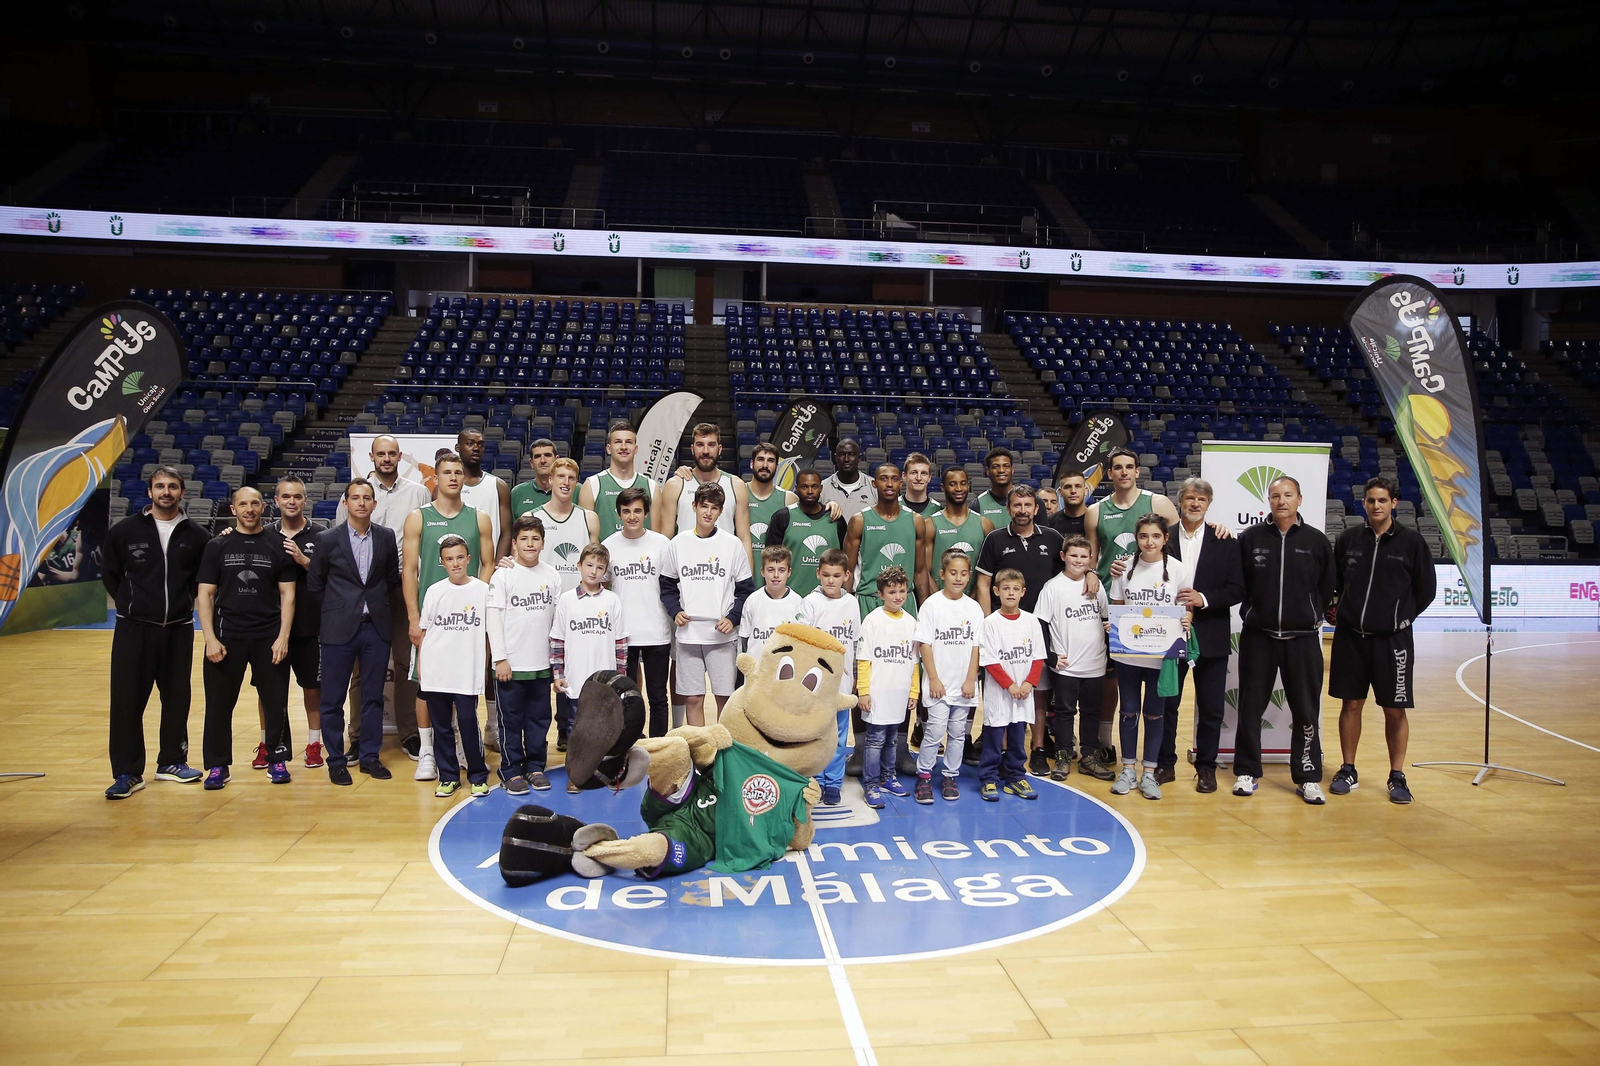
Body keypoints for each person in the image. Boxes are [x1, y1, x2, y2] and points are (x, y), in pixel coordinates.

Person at [102, 466, 212, 799]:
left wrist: (181, 604)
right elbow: (111, 574)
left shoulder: (196, 535)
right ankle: (127, 772)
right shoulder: (124, 531)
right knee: (127, 701)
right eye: (160, 486)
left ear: (182, 492)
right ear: (149, 492)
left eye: (173, 486)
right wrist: (132, 604)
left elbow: (202, 580)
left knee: (177, 698)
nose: (166, 492)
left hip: (178, 630)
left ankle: (173, 762)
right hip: (133, 630)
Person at [1328, 475, 1436, 804]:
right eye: (1371, 500)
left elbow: (1426, 590)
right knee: (1351, 705)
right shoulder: (1348, 539)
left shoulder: (1412, 542)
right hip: (1350, 638)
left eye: (1382, 500)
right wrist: (1340, 611)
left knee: (1394, 709)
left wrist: (1401, 618)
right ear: (1364, 503)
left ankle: (1397, 775)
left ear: (1394, 503)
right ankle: (1348, 769)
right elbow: (1335, 583)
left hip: (1393, 642)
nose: (1376, 505)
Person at [1234, 475, 1335, 804]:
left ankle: (1307, 776)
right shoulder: (1250, 538)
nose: (1282, 501)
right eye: (1275, 495)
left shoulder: (1316, 541)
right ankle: (1247, 771)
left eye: (1288, 495)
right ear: (1269, 500)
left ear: (1299, 499)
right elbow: (1240, 583)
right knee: (1250, 707)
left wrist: (1309, 613)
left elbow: (1327, 587)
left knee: (1306, 710)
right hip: (1259, 637)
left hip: (1302, 639)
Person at [1084, 448, 1183, 765]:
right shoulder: (1095, 511)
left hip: (1155, 608)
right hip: (1113, 603)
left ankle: (1158, 758)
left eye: (1129, 467)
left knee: (1155, 691)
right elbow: (1092, 557)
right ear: (1110, 473)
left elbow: (1180, 544)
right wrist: (1092, 573)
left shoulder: (1159, 503)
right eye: (1118, 467)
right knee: (1109, 678)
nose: (1124, 472)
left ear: (1138, 471)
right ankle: (1104, 742)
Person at [196, 486, 299, 790]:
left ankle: (277, 758)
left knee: (276, 702)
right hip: (227, 637)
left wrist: (283, 637)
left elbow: (288, 595)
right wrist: (209, 638)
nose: (249, 509)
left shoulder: (278, 545)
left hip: (268, 637)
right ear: (233, 509)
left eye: (255, 503)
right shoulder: (217, 546)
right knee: (218, 704)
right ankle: (218, 765)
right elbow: (205, 594)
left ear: (264, 507)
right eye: (243, 504)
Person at [336, 434, 431, 762]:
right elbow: (342, 540)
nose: (386, 458)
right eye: (381, 454)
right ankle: (358, 736)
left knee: (407, 664)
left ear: (400, 456)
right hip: (366, 591)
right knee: (361, 669)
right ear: (371, 456)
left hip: (405, 588)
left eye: (392, 453)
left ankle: (409, 733)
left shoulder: (418, 492)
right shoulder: (357, 493)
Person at [403, 452, 496, 781]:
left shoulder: (479, 517)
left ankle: (463, 748)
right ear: (437, 477)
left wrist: (475, 599)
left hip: (467, 621)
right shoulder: (418, 517)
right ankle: (427, 751)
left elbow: (488, 563)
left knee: (464, 685)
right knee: (426, 686)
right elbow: (409, 570)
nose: (453, 477)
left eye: (458, 472)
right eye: (447, 472)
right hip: (433, 619)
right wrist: (413, 618)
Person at [308, 478, 402, 785]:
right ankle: (336, 760)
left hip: (375, 628)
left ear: (374, 503)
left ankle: (370, 757)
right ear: (345, 503)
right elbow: (315, 584)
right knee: (332, 699)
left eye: (367, 498)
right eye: (355, 497)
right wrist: (338, 610)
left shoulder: (386, 537)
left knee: (373, 697)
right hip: (338, 629)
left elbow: (391, 580)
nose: (361, 502)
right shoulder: (327, 539)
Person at [843, 461, 931, 776]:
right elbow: (847, 572)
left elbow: (920, 571)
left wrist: (926, 609)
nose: (890, 483)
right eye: (884, 478)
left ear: (901, 481)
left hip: (905, 604)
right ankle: (861, 749)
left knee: (903, 675)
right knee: (863, 678)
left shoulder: (916, 521)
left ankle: (901, 748)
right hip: (867, 602)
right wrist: (846, 607)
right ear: (874, 483)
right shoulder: (859, 520)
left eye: (895, 478)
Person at [1161, 478, 1245, 793]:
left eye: (1201, 499)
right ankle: (1165, 764)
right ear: (1179, 501)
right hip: (1169, 635)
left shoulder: (1225, 541)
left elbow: (1237, 589)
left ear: (1208, 504)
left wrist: (1204, 599)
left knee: (1211, 709)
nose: (1195, 504)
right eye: (1190, 498)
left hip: (1211, 633)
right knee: (1167, 705)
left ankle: (1206, 768)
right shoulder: (1162, 538)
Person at [976, 484, 1064, 776]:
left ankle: (1037, 748)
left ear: (1036, 508)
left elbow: (1070, 571)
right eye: (1017, 505)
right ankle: (1001, 750)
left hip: (1040, 626)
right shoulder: (995, 539)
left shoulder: (1052, 537)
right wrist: (989, 621)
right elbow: (984, 583)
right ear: (1008, 508)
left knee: (1037, 690)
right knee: (1002, 689)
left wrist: (1089, 573)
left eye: (1028, 505)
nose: (1022, 510)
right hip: (1003, 625)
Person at [1107, 514, 1192, 801]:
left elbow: (1186, 609)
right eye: (1143, 536)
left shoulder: (1178, 570)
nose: (1149, 542)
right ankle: (1128, 770)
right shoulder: (1124, 568)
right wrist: (1113, 625)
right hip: (1129, 657)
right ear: (1137, 538)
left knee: (1155, 714)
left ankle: (1149, 772)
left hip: (1162, 658)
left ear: (1165, 538)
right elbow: (1118, 607)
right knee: (1128, 712)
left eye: (1156, 536)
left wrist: (1187, 620)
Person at [660, 482, 755, 726]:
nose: (708, 512)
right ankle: (699, 749)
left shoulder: (732, 544)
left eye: (714, 508)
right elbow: (667, 586)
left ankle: (723, 747)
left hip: (721, 635)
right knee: (693, 699)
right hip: (688, 634)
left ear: (721, 511)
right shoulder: (678, 543)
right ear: (694, 506)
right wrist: (675, 611)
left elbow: (745, 589)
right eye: (704, 506)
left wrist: (733, 618)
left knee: (725, 698)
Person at [488, 514, 563, 794]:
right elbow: (493, 619)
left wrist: (556, 662)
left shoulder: (552, 575)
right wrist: (500, 659)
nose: (530, 544)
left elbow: (557, 621)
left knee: (539, 719)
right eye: (524, 539)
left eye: (535, 539)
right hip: (511, 664)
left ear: (543, 543)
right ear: (515, 543)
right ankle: (510, 770)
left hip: (541, 663)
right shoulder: (503, 575)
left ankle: (535, 766)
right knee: (510, 720)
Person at [257, 476, 326, 770]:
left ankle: (314, 744)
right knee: (268, 691)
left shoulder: (321, 535)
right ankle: (267, 744)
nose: (291, 502)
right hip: (270, 629)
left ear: (305, 500)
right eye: (285, 497)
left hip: (310, 627)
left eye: (297, 496)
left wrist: (304, 560)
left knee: (312, 688)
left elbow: (330, 577)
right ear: (276, 501)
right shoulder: (264, 535)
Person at [416, 534, 492, 800]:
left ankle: (478, 776)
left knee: (468, 722)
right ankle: (448, 776)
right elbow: (424, 633)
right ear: (442, 562)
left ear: (469, 559)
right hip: (437, 669)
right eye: (449, 559)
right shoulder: (434, 591)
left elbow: (489, 634)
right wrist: (422, 667)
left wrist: (484, 665)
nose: (456, 563)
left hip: (466, 671)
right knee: (442, 726)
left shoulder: (483, 590)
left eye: (460, 557)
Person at [551, 543, 629, 790]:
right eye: (589, 565)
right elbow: (557, 640)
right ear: (579, 566)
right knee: (577, 730)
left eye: (600, 567)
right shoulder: (566, 600)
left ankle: (606, 773)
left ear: (606, 571)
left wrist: (620, 678)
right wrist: (558, 674)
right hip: (576, 681)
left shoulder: (612, 600)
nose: (594, 571)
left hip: (605, 683)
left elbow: (620, 643)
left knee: (607, 729)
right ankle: (577, 776)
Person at [534, 455, 600, 746]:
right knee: (542, 667)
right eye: (560, 477)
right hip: (542, 604)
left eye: (571, 478)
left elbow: (596, 559)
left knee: (573, 668)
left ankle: (567, 728)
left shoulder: (588, 518)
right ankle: (537, 732)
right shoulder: (534, 517)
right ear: (550, 480)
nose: (565, 482)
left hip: (578, 605)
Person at [1035, 536, 1111, 781]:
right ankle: (1063, 756)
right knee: (1064, 712)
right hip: (1066, 666)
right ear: (1063, 556)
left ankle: (1089, 757)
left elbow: (1105, 619)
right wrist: (1050, 657)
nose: (1078, 560)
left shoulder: (1096, 586)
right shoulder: (1053, 587)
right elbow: (1040, 624)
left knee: (1091, 712)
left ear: (1091, 559)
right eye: (1073, 555)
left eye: (1083, 556)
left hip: (1095, 663)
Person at [914, 549, 984, 802]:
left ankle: (950, 775)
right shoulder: (932, 605)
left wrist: (971, 679)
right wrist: (933, 678)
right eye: (953, 573)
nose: (958, 578)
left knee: (957, 733)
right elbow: (924, 644)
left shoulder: (974, 608)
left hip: (963, 685)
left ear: (969, 576)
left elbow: (976, 647)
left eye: (964, 574)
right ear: (942, 574)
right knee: (934, 732)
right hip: (939, 684)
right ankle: (924, 776)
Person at [603, 486, 673, 735]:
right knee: (627, 697)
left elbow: (672, 584)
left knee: (658, 696)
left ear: (646, 513)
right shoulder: (608, 546)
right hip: (623, 633)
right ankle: (631, 742)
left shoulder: (662, 544)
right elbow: (602, 586)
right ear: (619, 514)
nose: (632, 516)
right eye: (626, 511)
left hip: (656, 631)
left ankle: (659, 746)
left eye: (637, 511)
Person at [856, 566, 920, 809]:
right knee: (875, 740)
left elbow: (914, 662)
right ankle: (871, 785)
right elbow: (864, 659)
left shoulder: (911, 622)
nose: (898, 596)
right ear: (881, 594)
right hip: (877, 693)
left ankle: (888, 777)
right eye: (892, 592)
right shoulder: (872, 621)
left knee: (892, 739)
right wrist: (863, 691)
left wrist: (914, 691)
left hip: (899, 693)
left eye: (902, 591)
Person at [978, 568, 1044, 802]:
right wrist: (1009, 685)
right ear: (996, 591)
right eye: (1006, 588)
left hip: (1023, 693)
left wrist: (1029, 683)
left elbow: (1038, 657)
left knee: (1018, 736)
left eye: (1015, 589)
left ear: (1023, 592)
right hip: (1000, 693)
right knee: (994, 736)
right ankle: (988, 778)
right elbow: (990, 661)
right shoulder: (990, 623)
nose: (1011, 593)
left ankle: (1016, 777)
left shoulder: (1032, 621)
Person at [804, 548, 862, 807]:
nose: (831, 580)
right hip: (815, 685)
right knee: (815, 734)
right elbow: (803, 643)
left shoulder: (852, 603)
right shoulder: (810, 603)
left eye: (836, 576)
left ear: (846, 576)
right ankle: (815, 779)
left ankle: (833, 783)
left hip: (843, 685)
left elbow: (856, 641)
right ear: (818, 573)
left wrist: (857, 674)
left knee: (839, 735)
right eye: (826, 574)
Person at [655, 423, 750, 553]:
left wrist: (748, 567)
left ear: (720, 449)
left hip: (724, 563)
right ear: (692, 449)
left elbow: (744, 538)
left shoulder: (736, 485)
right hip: (686, 563)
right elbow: (666, 538)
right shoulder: (675, 485)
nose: (706, 451)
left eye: (711, 445)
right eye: (700, 445)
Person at [765, 467, 847, 598]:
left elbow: (845, 558)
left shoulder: (835, 519)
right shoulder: (783, 517)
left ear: (821, 488)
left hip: (828, 597)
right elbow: (771, 560)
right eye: (804, 487)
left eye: (814, 486)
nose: (809, 491)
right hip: (790, 597)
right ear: (796, 488)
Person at [925, 466, 993, 602]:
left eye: (963, 483)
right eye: (952, 484)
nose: (959, 489)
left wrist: (969, 601)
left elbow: (986, 572)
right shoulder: (931, 524)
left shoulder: (985, 524)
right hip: (940, 602)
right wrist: (941, 600)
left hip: (974, 602)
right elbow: (924, 571)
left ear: (968, 486)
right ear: (943, 487)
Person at [579, 419, 654, 541]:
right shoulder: (592, 485)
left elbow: (656, 536)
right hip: (605, 553)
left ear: (636, 449)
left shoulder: (651, 486)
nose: (623, 447)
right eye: (618, 442)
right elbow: (586, 537)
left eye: (628, 442)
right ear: (609, 448)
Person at [739, 544, 807, 657]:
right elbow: (744, 638)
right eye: (770, 570)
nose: (776, 575)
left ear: (789, 572)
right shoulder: (752, 600)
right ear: (762, 571)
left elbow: (801, 641)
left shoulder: (798, 602)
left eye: (781, 570)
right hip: (757, 665)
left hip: (785, 665)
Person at [456, 427, 512, 560]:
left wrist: (497, 567)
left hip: (490, 565)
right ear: (458, 447)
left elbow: (506, 533)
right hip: (455, 565)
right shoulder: (446, 487)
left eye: (480, 445)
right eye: (470, 443)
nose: (476, 448)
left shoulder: (499, 486)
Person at [744, 442, 798, 567]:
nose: (765, 465)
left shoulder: (789, 499)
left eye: (770, 461)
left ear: (777, 466)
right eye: (760, 459)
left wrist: (831, 505)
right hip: (742, 573)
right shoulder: (739, 494)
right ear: (751, 464)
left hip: (776, 573)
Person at [819, 438, 875, 519]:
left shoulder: (874, 487)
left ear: (859, 458)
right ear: (835, 457)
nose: (846, 459)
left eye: (851, 454)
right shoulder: (822, 487)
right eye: (842, 454)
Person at [511, 438, 559, 519]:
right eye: (537, 456)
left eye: (547, 455)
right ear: (531, 463)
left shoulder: (575, 490)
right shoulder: (517, 493)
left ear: (557, 460)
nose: (543, 460)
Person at [974, 448, 1017, 526]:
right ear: (988, 471)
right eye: (995, 467)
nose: (1001, 470)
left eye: (1006, 466)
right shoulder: (977, 504)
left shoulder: (1030, 500)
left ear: (1012, 470)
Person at [1045, 471, 1092, 540]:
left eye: (1078, 486)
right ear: (1060, 492)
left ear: (1085, 491)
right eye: (1068, 487)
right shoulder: (1050, 522)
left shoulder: (1096, 520)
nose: (1073, 491)